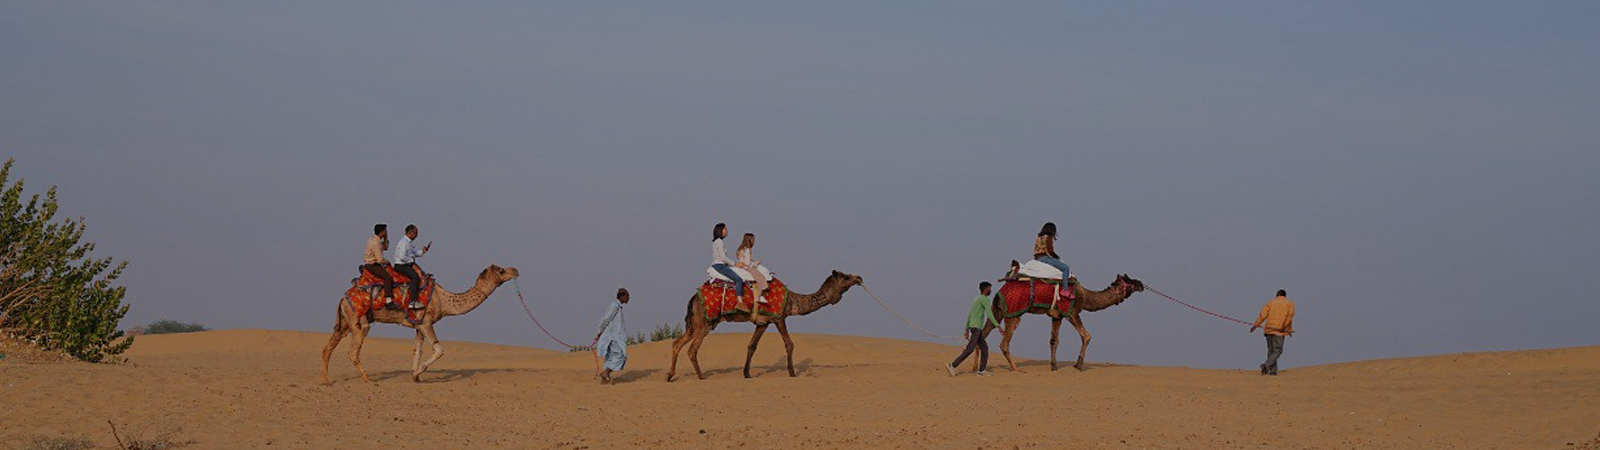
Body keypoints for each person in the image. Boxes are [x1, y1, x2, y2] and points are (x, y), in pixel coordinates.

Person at [947, 282, 1003, 377]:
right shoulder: (984, 299)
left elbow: (970, 315)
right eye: (989, 288)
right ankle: (952, 365)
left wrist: (966, 329)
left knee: (984, 348)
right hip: (976, 328)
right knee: (970, 349)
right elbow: (990, 314)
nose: (990, 290)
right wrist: (998, 326)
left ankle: (982, 370)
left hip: (975, 328)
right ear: (985, 289)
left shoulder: (976, 299)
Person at [1249, 289, 1296, 375]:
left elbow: (1262, 315)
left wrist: (1255, 326)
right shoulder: (1289, 303)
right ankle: (1266, 366)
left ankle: (1273, 371)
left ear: (1276, 295)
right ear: (1285, 296)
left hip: (1268, 330)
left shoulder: (1271, 302)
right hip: (1279, 331)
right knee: (1278, 350)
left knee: (1271, 351)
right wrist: (1284, 326)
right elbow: (1289, 317)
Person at [391, 224, 432, 309]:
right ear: (411, 233)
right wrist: (411, 260)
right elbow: (402, 257)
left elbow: (415, 253)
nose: (417, 235)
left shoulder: (408, 243)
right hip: (401, 265)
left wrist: (423, 251)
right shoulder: (403, 243)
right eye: (416, 233)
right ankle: (412, 302)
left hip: (406, 264)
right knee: (415, 278)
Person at [594, 288, 630, 384]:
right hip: (614, 337)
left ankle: (604, 380)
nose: (628, 298)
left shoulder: (617, 307)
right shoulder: (614, 306)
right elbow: (605, 319)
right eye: (627, 296)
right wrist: (599, 331)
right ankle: (605, 373)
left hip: (614, 336)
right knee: (620, 356)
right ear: (622, 296)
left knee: (610, 357)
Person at [361, 224, 396, 306]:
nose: (386, 232)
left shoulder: (374, 240)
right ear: (382, 232)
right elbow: (380, 260)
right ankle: (388, 299)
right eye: (385, 231)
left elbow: (385, 247)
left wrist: (386, 238)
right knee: (388, 277)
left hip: (374, 264)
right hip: (373, 265)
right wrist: (387, 261)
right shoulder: (376, 243)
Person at [710, 223, 745, 296]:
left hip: (721, 265)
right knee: (738, 279)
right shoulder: (719, 242)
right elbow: (723, 258)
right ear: (721, 230)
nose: (727, 230)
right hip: (720, 266)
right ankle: (740, 301)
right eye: (725, 229)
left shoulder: (718, 241)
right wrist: (735, 264)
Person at [735, 233, 769, 304]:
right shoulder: (747, 249)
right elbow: (747, 262)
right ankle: (760, 296)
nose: (754, 241)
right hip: (746, 267)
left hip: (741, 266)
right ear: (750, 240)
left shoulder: (741, 248)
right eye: (753, 239)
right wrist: (755, 264)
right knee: (760, 277)